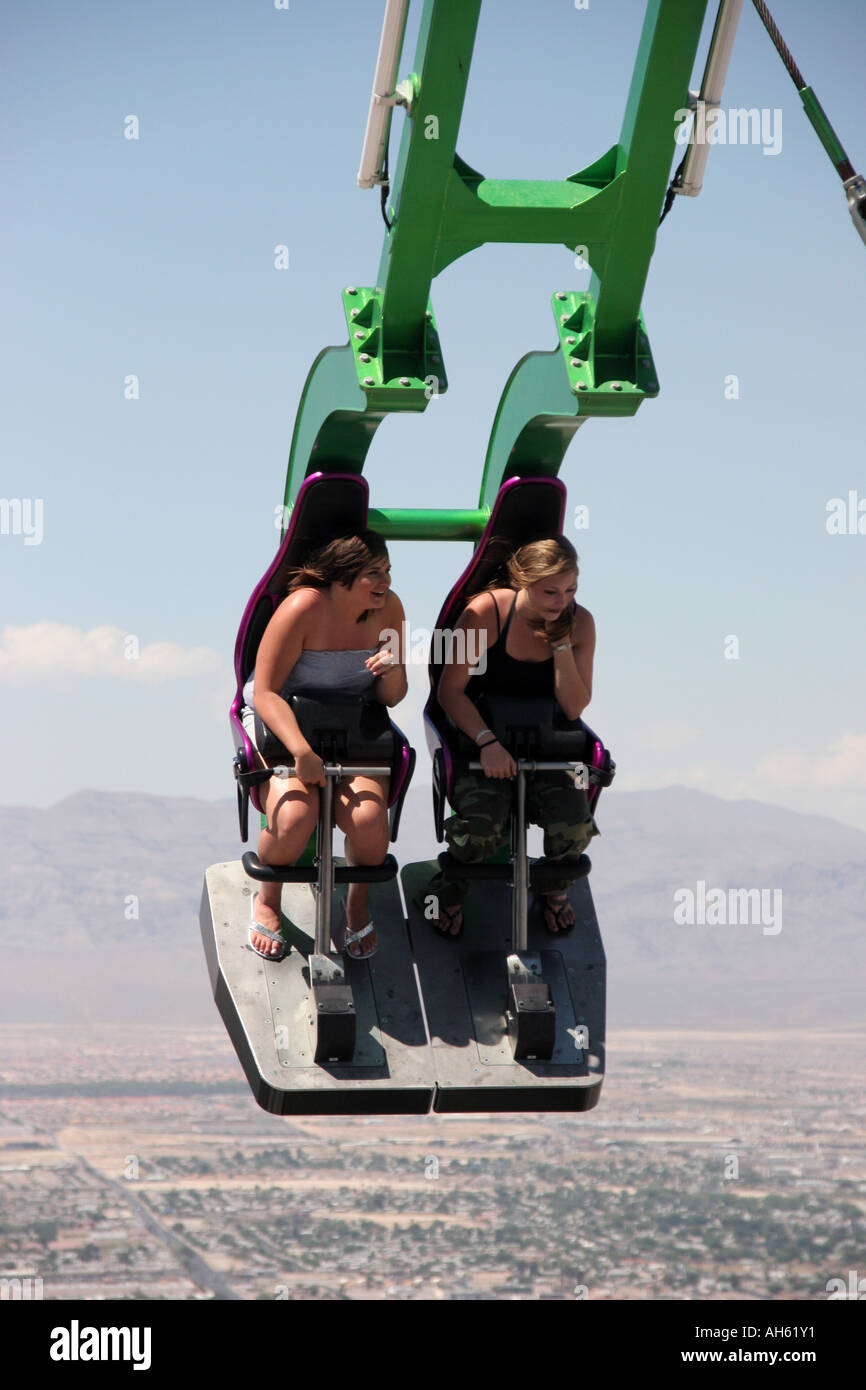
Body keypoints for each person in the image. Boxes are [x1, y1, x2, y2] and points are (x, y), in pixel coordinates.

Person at [242, 530, 407, 960]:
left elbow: (392, 697)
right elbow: (265, 693)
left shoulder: (389, 609)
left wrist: (392, 669)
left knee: (370, 822)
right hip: (285, 724)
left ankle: (355, 905)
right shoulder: (304, 607)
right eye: (373, 573)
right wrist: (300, 751)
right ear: (341, 577)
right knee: (297, 815)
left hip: (350, 724)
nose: (384, 582)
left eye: (387, 571)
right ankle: (267, 900)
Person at [429, 533, 598, 937]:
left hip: (548, 742)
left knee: (574, 827)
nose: (561, 602)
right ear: (522, 581)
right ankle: (447, 892)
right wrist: (487, 742)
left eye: (570, 590)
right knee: (483, 829)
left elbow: (574, 707)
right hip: (481, 737)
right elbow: (449, 692)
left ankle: (554, 890)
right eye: (550, 592)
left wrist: (560, 645)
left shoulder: (580, 623)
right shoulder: (485, 614)